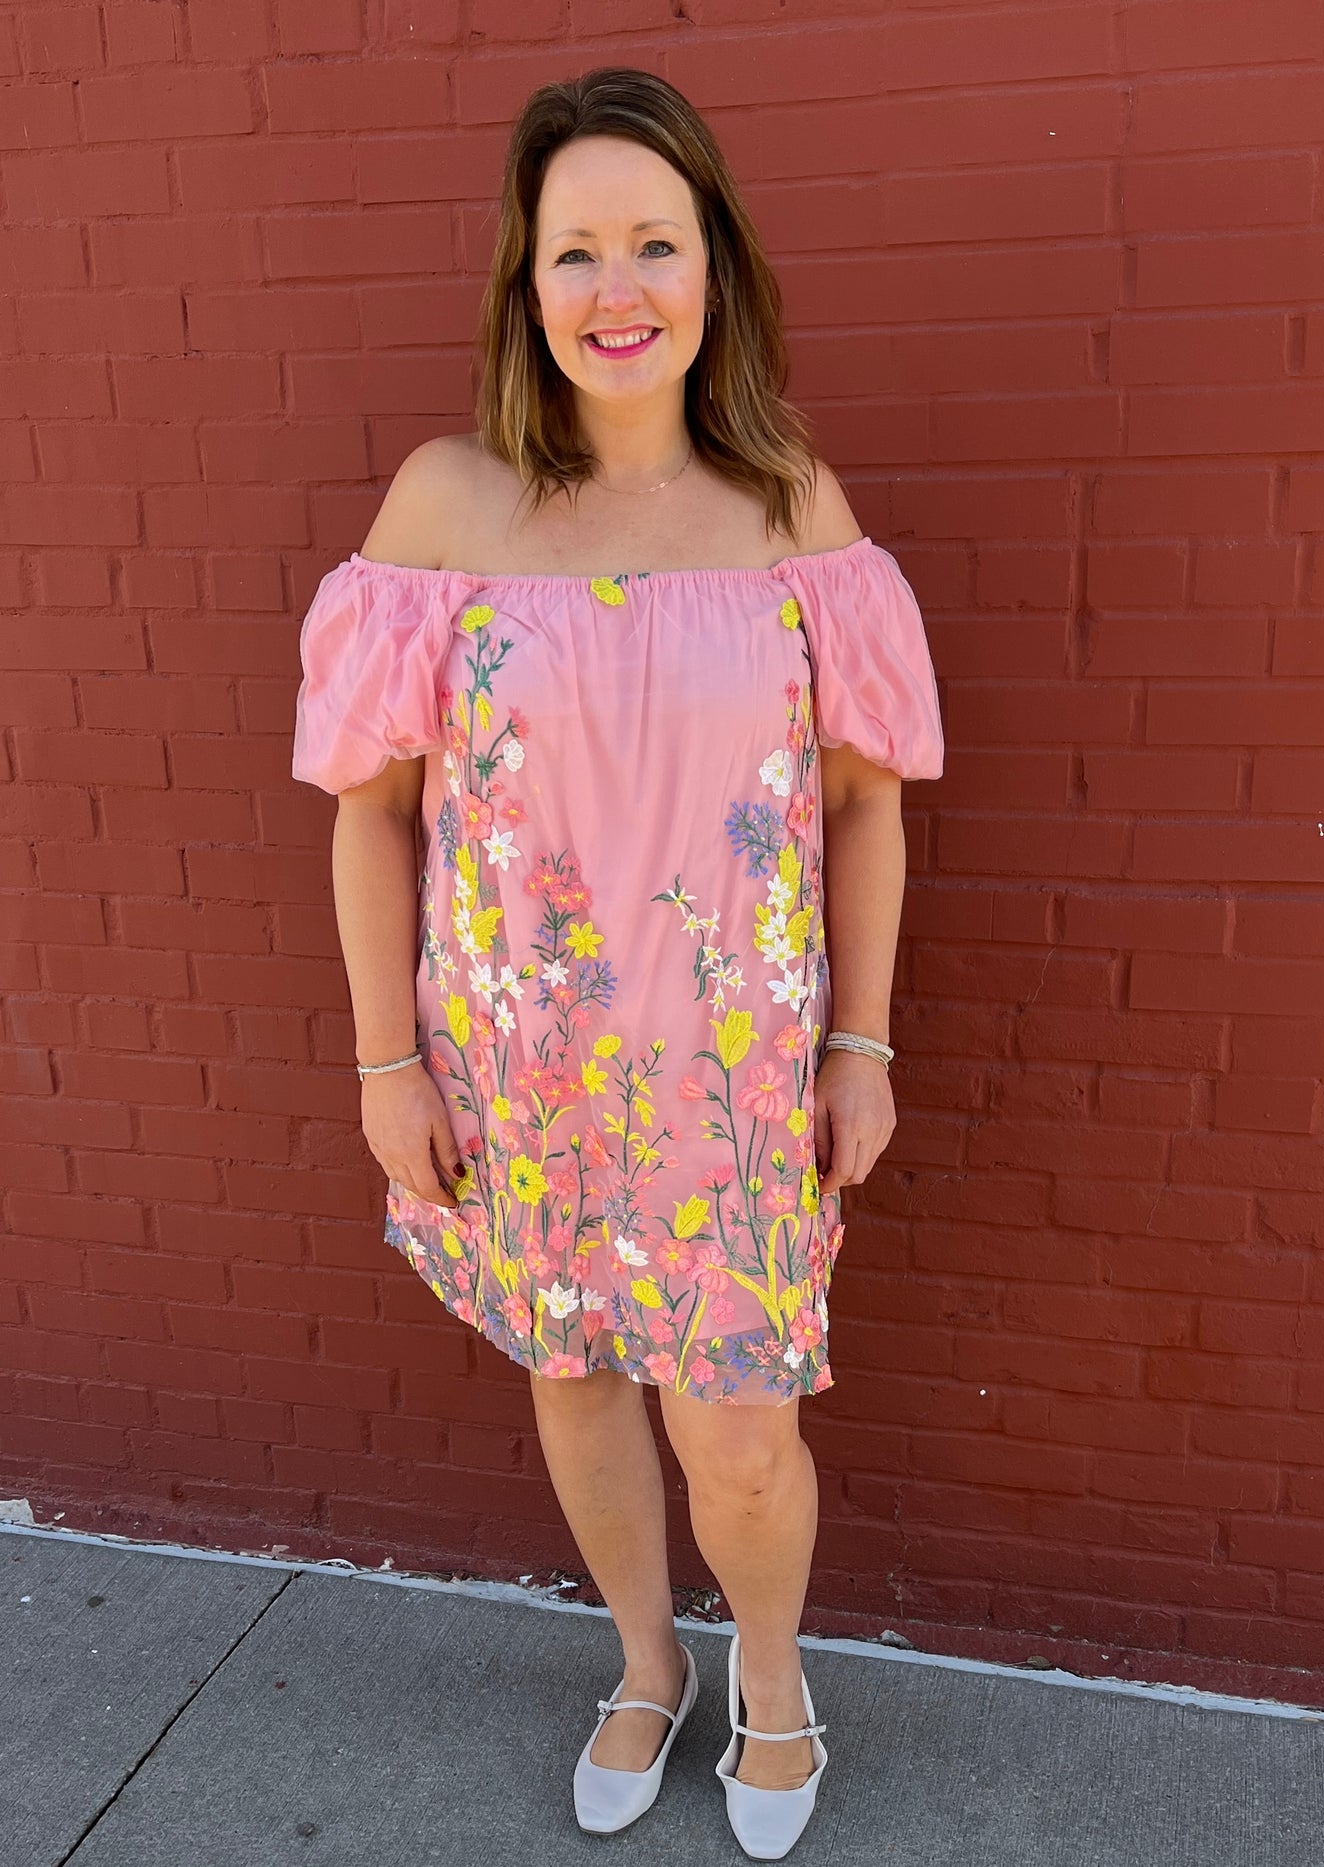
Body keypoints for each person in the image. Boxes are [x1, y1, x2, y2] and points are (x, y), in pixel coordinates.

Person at [291, 65, 943, 1861]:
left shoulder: (789, 506)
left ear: (713, 267)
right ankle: (645, 1663)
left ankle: (775, 1674)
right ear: (526, 282)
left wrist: (863, 1045)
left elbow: (869, 808)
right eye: (574, 249)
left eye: (655, 239)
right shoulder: (447, 509)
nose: (616, 284)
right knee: (573, 1383)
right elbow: (371, 816)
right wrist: (383, 1066)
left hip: (734, 1089)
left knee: (737, 1434)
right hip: (518, 1076)